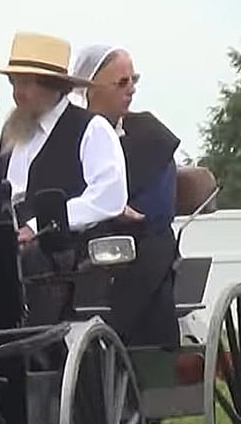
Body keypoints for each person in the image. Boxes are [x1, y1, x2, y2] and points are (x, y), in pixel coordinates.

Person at [0, 31, 130, 325]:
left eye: (25, 83)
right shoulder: (17, 130)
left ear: (54, 86)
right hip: (7, 237)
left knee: (25, 258)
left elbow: (108, 197)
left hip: (65, 248)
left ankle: (30, 345)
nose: (16, 93)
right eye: (14, 83)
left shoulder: (92, 129)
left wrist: (41, 226)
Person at [70, 44, 181, 348]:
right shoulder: (66, 137)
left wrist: (110, 211)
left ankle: (131, 343)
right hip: (72, 243)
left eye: (134, 80)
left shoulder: (150, 135)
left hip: (139, 242)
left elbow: (156, 212)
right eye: (122, 83)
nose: (131, 90)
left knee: (148, 246)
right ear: (89, 89)